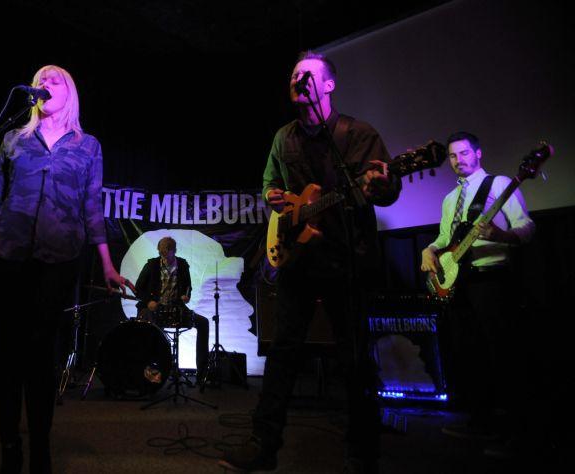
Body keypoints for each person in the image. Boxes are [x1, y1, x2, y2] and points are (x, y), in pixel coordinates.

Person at [0, 65, 133, 474]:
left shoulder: (87, 146)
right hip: (7, 256)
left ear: (69, 93)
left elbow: (93, 208)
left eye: (56, 80)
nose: (46, 84)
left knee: (41, 354)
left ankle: (40, 449)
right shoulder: (12, 140)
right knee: (6, 354)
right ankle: (8, 448)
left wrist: (107, 264)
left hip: (57, 261)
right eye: (41, 79)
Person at [219, 51, 401, 473]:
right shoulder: (284, 137)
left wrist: (384, 183)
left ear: (329, 85)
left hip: (347, 258)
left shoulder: (357, 133)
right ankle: (263, 444)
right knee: (282, 352)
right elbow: (268, 182)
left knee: (354, 357)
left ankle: (362, 450)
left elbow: (387, 191)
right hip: (300, 259)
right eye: (293, 75)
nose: (298, 79)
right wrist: (272, 198)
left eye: (307, 75)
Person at [420, 132, 534, 455]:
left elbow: (527, 227)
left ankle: (517, 432)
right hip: (461, 284)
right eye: (453, 156)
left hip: (492, 281)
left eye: (464, 153)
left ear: (479, 153)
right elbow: (445, 238)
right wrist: (428, 250)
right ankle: (481, 422)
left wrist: (500, 235)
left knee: (504, 356)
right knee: (471, 355)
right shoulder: (447, 199)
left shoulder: (498, 185)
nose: (458, 160)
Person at [134, 236, 210, 383]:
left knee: (203, 323)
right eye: (162, 253)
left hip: (176, 308)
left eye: (167, 253)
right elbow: (138, 289)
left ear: (174, 251)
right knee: (146, 324)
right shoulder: (151, 265)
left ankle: (202, 375)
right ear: (159, 251)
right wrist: (148, 301)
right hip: (155, 308)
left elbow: (188, 287)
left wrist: (185, 295)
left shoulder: (182, 265)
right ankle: (151, 371)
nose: (164, 257)